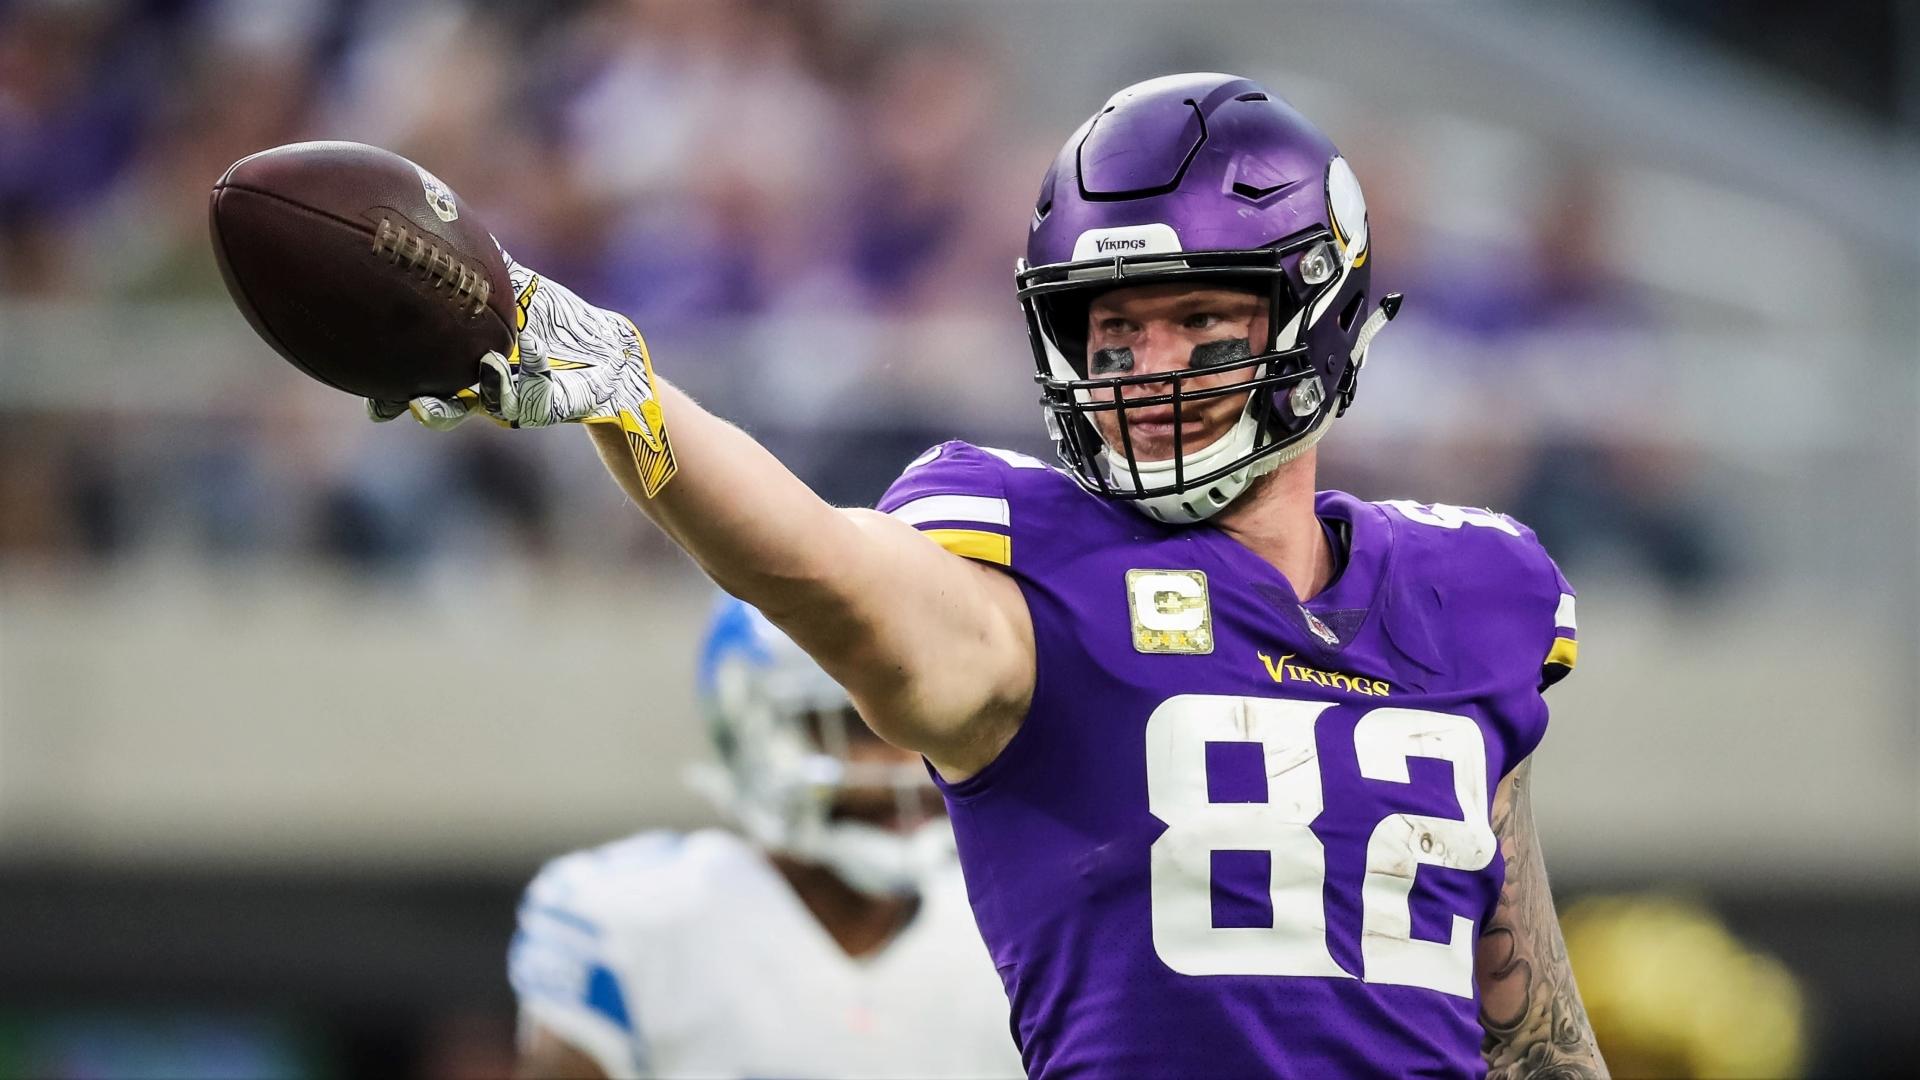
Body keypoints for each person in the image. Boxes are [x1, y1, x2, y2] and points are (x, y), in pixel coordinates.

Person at [379, 73, 1607, 1079]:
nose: (1141, 365)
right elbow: (817, 565)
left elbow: (1529, 1019)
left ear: (1318, 315)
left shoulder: (1470, 591)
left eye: (1195, 320)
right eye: (1110, 330)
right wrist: (617, 388)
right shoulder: (1037, 577)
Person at [508, 595, 1022, 1079]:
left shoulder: (1016, 935)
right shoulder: (632, 918)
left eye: (933, 726)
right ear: (755, 730)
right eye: (860, 727)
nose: (911, 766)